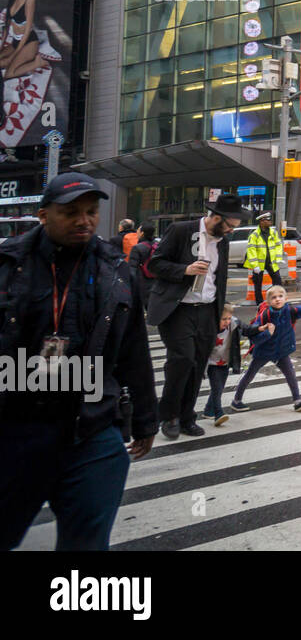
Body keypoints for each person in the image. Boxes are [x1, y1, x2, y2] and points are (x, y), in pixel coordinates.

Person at [0, 173, 157, 551]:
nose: (84, 220)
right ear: (43, 215)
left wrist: (147, 418)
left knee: (87, 543)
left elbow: (134, 346)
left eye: (91, 212)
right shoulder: (9, 263)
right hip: (17, 425)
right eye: (70, 212)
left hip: (91, 425)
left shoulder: (116, 268)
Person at [148, 192, 244, 440]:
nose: (232, 231)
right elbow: (155, 264)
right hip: (178, 308)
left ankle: (187, 417)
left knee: (198, 365)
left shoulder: (221, 241)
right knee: (182, 360)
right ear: (216, 217)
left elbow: (218, 278)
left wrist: (222, 309)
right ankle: (169, 416)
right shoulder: (181, 230)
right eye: (230, 226)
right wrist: (185, 270)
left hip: (207, 310)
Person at [230, 286, 301, 412]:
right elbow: (254, 338)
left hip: (281, 352)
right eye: (274, 297)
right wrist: (267, 333)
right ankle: (236, 401)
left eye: (280, 296)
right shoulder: (265, 315)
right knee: (249, 375)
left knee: (290, 374)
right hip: (263, 352)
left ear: (286, 298)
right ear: (268, 302)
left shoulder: (290, 310)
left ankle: (297, 401)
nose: (277, 299)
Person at [202, 303, 242, 426]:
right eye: (224, 319)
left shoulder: (233, 325)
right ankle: (218, 413)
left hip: (224, 363)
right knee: (216, 388)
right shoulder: (209, 329)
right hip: (212, 364)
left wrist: (259, 329)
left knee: (219, 389)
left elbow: (246, 329)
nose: (227, 322)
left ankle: (208, 411)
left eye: (229, 318)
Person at [243, 211, 285, 305]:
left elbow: (278, 245)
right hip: (259, 263)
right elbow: (251, 250)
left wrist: (278, 258)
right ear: (262, 221)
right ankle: (259, 303)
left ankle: (277, 299)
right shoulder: (254, 235)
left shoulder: (273, 233)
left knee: (277, 280)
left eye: (270, 220)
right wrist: (255, 266)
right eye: (268, 220)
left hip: (271, 262)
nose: (270, 222)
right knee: (258, 284)